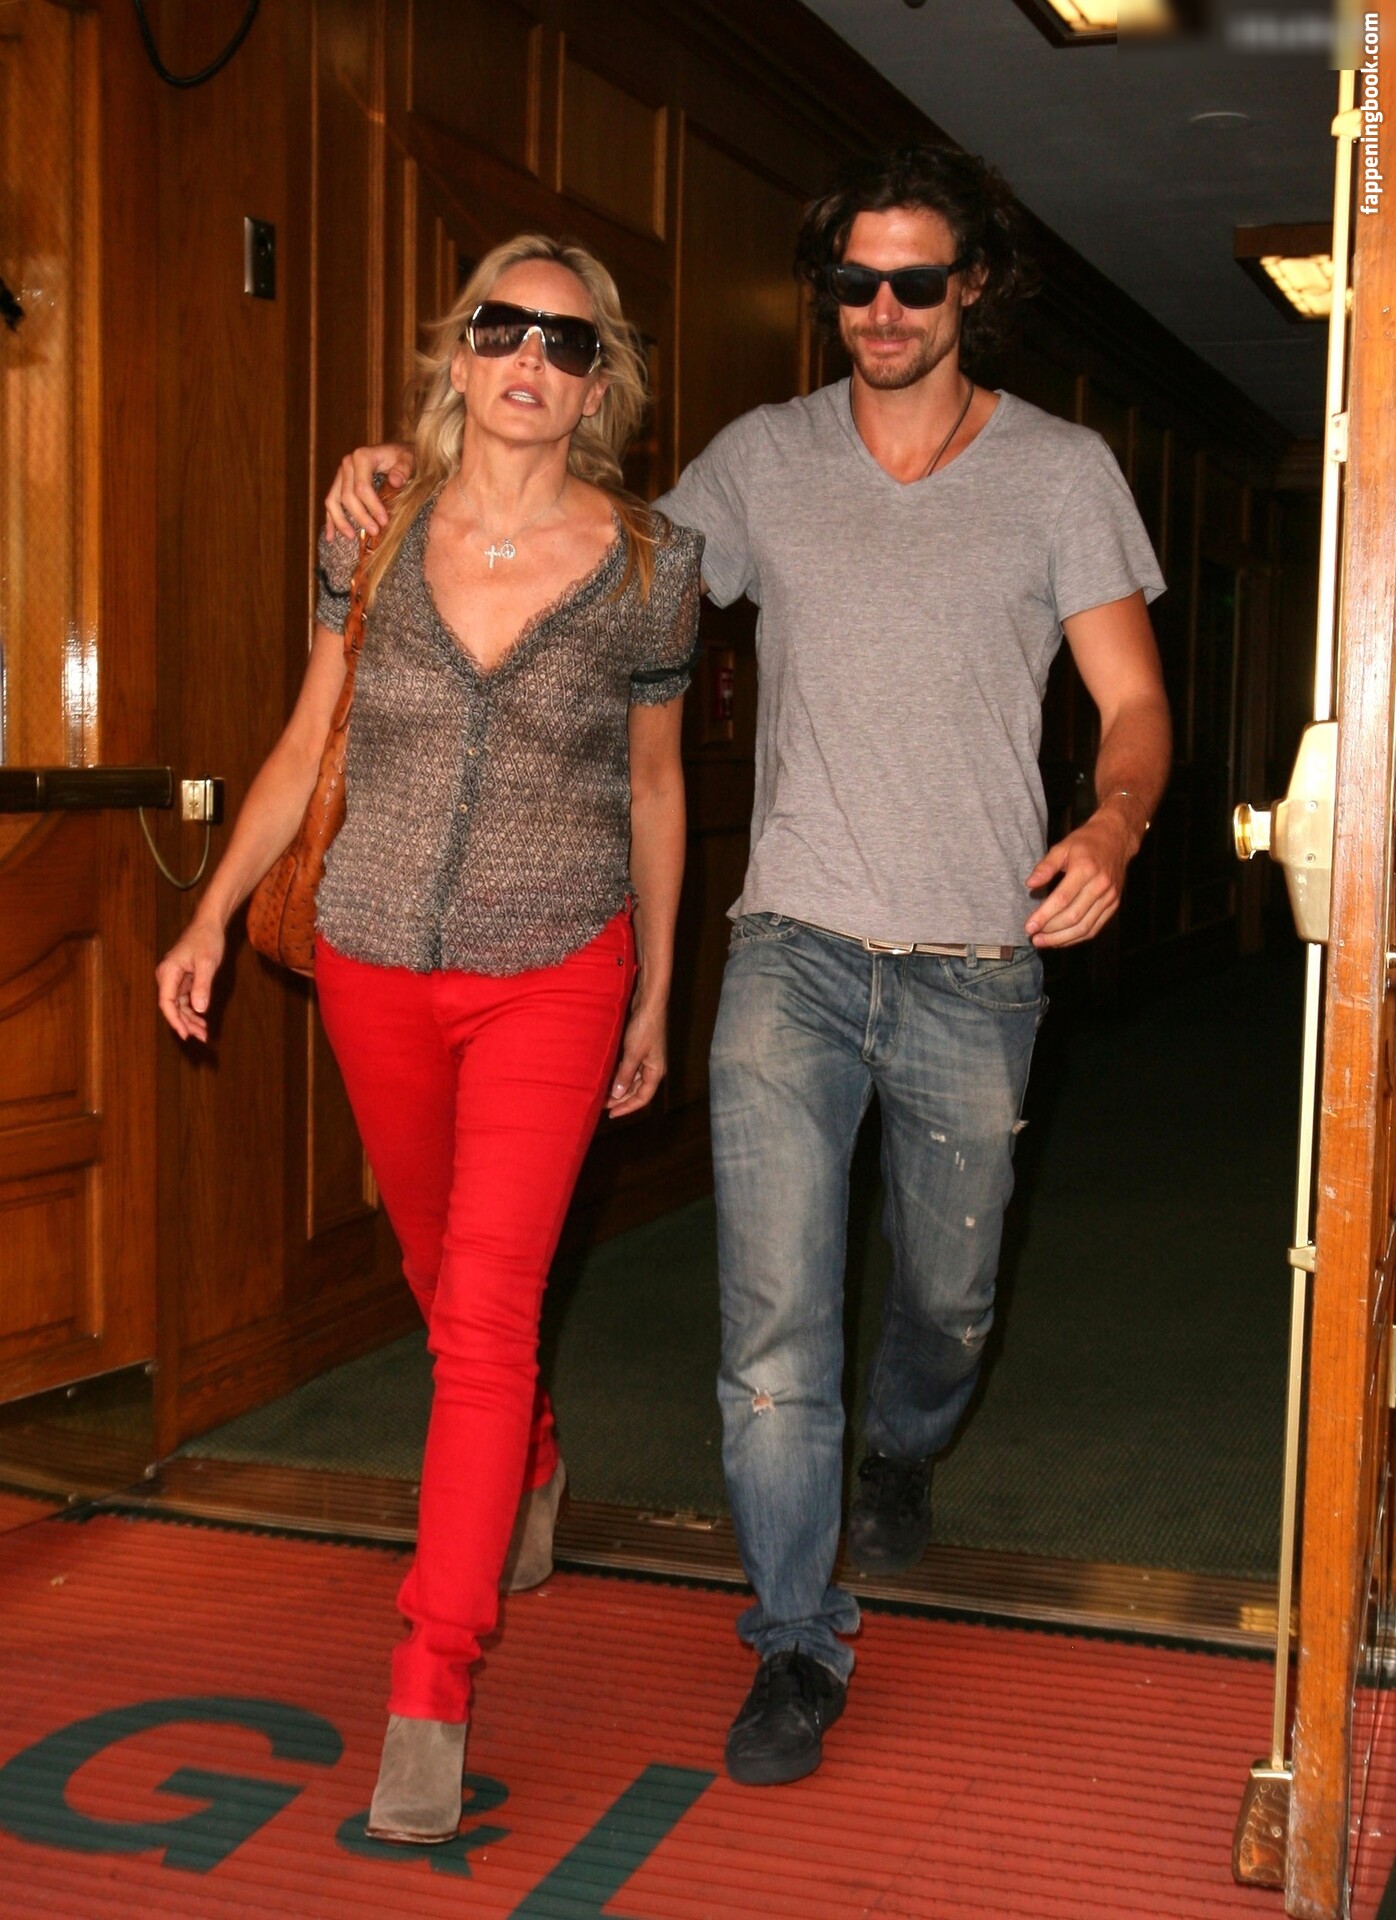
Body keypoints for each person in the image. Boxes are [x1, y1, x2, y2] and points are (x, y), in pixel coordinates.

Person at [326, 142, 1172, 1790]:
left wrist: (1118, 821)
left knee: (949, 1297)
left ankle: (903, 1443)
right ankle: (795, 1635)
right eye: (854, 282)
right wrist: (398, 474)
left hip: (977, 955)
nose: (882, 310)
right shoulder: (762, 463)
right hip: (792, 945)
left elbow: (1132, 701)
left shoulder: (1061, 473)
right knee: (775, 1324)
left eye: (914, 281)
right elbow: (578, 543)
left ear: (970, 287)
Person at [156, 234, 701, 1841]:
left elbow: (656, 785)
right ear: (458, 353)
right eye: (502, 328)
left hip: (558, 961)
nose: (530, 359)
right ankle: (528, 1460)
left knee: (486, 1310)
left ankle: (431, 1681)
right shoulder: (373, 530)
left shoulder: (653, 565)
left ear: (601, 385)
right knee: (437, 1274)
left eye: (566, 342)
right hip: (375, 956)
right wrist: (210, 915)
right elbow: (303, 738)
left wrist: (658, 988)